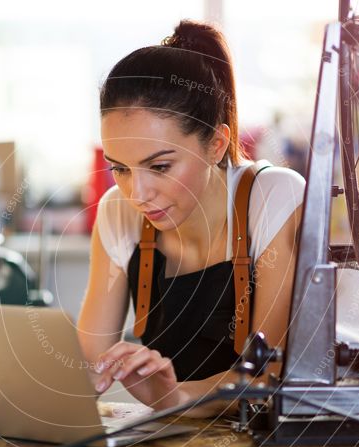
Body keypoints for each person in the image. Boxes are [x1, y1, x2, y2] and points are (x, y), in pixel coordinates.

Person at [77, 20, 305, 418]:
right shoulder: (118, 212)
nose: (137, 194)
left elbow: (267, 380)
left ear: (216, 144)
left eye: (160, 166)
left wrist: (175, 398)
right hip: (199, 445)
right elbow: (86, 371)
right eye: (120, 168)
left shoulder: (276, 198)